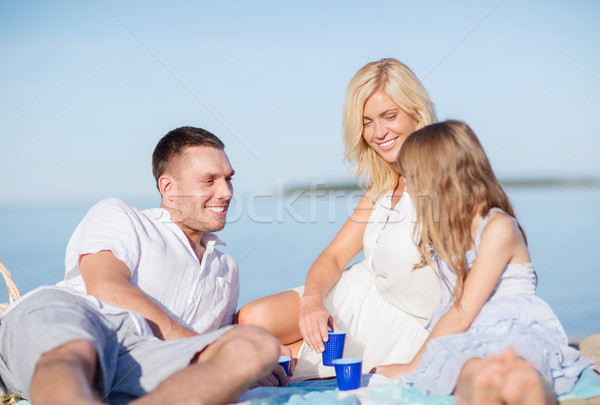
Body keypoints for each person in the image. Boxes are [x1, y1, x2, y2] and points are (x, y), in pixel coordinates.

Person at [0, 126, 286, 405]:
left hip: (145, 361)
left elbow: (210, 347)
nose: (226, 192)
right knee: (77, 349)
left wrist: (229, 355)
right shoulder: (122, 216)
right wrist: (209, 349)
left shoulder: (226, 270)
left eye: (228, 179)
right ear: (168, 188)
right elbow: (106, 287)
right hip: (82, 322)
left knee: (256, 346)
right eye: (209, 181)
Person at [237, 58, 442, 380]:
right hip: (359, 291)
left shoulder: (447, 181)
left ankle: (286, 362)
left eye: (390, 116)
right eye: (367, 122)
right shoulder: (382, 187)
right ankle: (285, 359)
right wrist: (311, 303)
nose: (379, 132)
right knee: (251, 320)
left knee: (258, 351)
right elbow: (334, 256)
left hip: (404, 318)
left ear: (417, 113)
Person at [372, 120, 594, 403]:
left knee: (519, 374)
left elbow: (463, 310)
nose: (410, 190)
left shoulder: (497, 227)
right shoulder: (448, 233)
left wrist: (411, 367)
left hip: (514, 327)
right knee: (474, 374)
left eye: (413, 180)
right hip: (470, 335)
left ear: (439, 179)